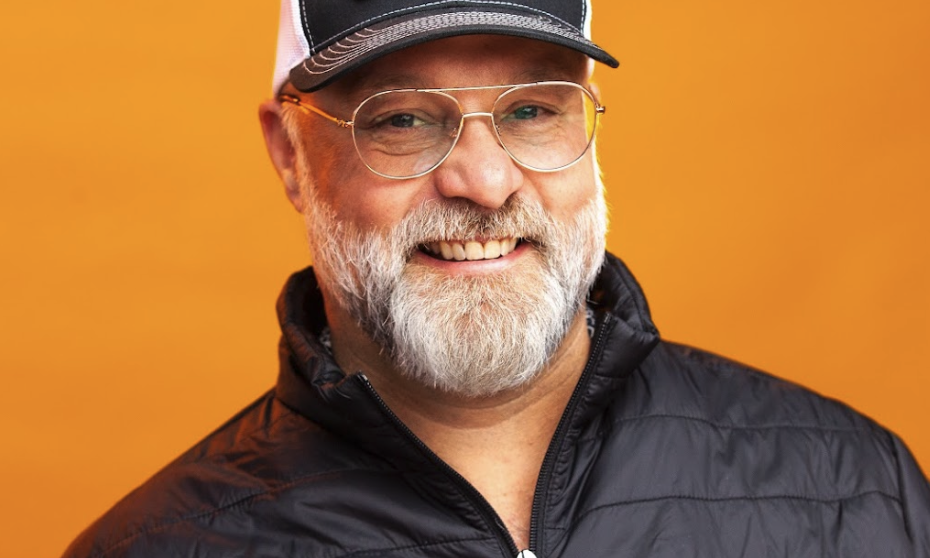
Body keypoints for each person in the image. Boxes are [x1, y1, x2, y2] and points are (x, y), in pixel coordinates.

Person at [62, 1, 930, 556]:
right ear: (291, 153)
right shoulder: (160, 546)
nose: (483, 181)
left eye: (531, 110)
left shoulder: (854, 489)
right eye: (399, 120)